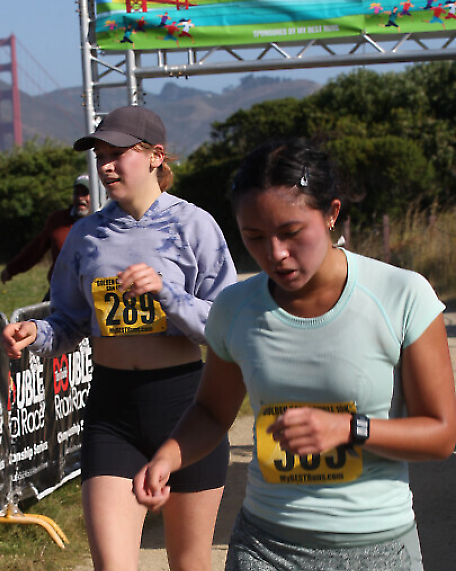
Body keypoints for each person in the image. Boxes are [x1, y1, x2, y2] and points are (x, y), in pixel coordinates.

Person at [134, 139, 456, 571]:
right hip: (264, 547)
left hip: (376, 548)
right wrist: (168, 457)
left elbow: (441, 435)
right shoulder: (235, 307)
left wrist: (349, 429)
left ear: (331, 213)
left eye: (291, 232)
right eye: (254, 237)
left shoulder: (402, 294)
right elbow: (211, 412)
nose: (275, 254)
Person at [2, 105, 237, 571]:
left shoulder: (194, 225)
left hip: (186, 410)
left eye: (117, 154)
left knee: (189, 564)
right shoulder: (85, 235)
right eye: (100, 156)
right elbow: (68, 323)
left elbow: (227, 328)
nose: (106, 166)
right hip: (112, 413)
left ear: (155, 156)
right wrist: (35, 334)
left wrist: (166, 294)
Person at [0, 174, 91, 300]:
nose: (80, 199)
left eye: (85, 193)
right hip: (60, 292)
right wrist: (11, 269)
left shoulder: (104, 222)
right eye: (76, 193)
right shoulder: (57, 221)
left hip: (91, 293)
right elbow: (36, 249)